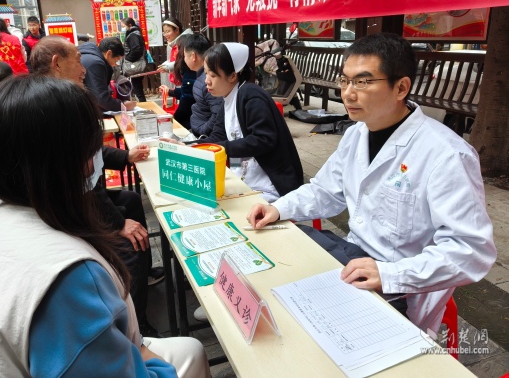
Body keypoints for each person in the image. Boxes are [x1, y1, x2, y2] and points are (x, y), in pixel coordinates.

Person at [0, 77, 210, 377]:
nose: (94, 161)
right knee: (188, 353)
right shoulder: (66, 279)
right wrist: (143, 354)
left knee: (188, 350)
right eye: (91, 149)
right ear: (67, 161)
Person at [247, 33, 496, 336]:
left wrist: (389, 274)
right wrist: (278, 208)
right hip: (350, 261)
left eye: (363, 82)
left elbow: (471, 251)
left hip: (400, 287)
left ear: (401, 87)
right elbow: (325, 190)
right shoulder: (357, 134)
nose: (348, 94)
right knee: (273, 285)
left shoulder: (447, 155)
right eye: (345, 81)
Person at [31, 35, 165, 337]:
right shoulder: (54, 105)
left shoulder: (58, 96)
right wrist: (118, 224)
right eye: (78, 61)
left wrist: (125, 156)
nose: (84, 69)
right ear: (57, 63)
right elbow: (84, 183)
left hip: (76, 197)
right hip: (65, 207)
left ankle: (144, 278)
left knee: (131, 200)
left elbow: (91, 153)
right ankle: (136, 329)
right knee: (129, 245)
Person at [202, 42, 304, 203]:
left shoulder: (251, 96)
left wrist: (223, 148)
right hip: (245, 179)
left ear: (233, 76)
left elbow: (264, 140)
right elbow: (217, 136)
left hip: (271, 185)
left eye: (213, 75)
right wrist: (187, 146)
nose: (207, 81)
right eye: (206, 73)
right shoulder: (227, 99)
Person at [79, 36, 137, 112]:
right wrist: (122, 105)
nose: (116, 64)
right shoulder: (95, 63)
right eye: (117, 60)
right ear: (109, 53)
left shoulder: (88, 54)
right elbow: (100, 98)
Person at [184, 34, 222, 137]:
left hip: (205, 135)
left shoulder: (207, 81)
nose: (208, 80)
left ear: (193, 56)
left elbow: (218, 113)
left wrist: (202, 130)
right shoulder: (201, 77)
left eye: (184, 56)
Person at [159, 37, 197, 129]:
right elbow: (188, 92)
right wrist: (170, 92)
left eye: (179, 50)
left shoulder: (190, 74)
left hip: (193, 125)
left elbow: (187, 100)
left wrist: (175, 120)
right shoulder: (192, 72)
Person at [157, 18, 193, 88]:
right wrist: (166, 64)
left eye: (168, 31)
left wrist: (169, 66)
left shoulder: (185, 42)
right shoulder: (172, 44)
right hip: (180, 81)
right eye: (164, 32)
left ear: (176, 30)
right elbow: (175, 59)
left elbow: (185, 60)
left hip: (187, 80)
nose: (165, 35)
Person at [121, 17, 147, 102]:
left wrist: (127, 59)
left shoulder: (133, 35)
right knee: (137, 89)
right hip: (136, 65)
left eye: (123, 26)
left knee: (137, 89)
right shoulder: (135, 33)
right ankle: (142, 104)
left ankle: (143, 105)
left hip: (134, 66)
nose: (122, 28)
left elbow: (136, 50)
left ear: (129, 25)